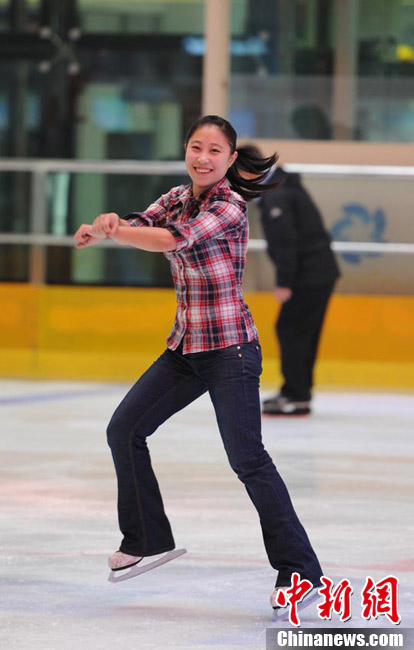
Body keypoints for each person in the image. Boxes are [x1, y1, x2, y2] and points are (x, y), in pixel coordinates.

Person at [73, 115, 323, 611]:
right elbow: (145, 224)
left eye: (214, 150)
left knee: (248, 459)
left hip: (230, 349)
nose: (202, 157)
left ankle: (301, 572)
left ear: (230, 160)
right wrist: (108, 226)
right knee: (124, 430)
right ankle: (146, 537)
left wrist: (118, 232)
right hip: (186, 348)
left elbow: (170, 240)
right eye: (195, 146)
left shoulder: (229, 206)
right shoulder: (176, 197)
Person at [238, 146, 340, 416]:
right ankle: (299, 393)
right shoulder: (280, 185)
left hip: (309, 274)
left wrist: (284, 281)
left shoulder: (277, 194)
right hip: (318, 272)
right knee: (301, 332)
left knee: (291, 330)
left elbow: (287, 242)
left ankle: (295, 394)